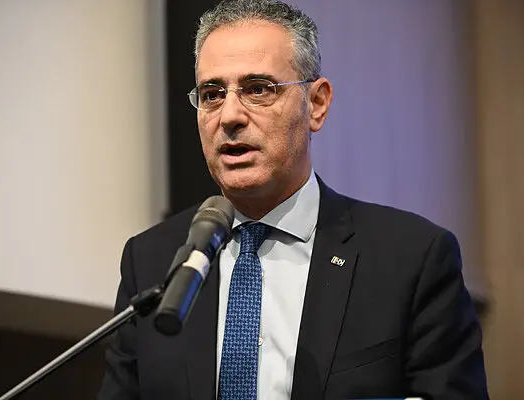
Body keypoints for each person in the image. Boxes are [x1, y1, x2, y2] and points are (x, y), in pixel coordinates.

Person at [98, 0, 488, 399]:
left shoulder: (411, 258)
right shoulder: (151, 261)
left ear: (316, 104)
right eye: (212, 94)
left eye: (257, 89)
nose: (229, 116)